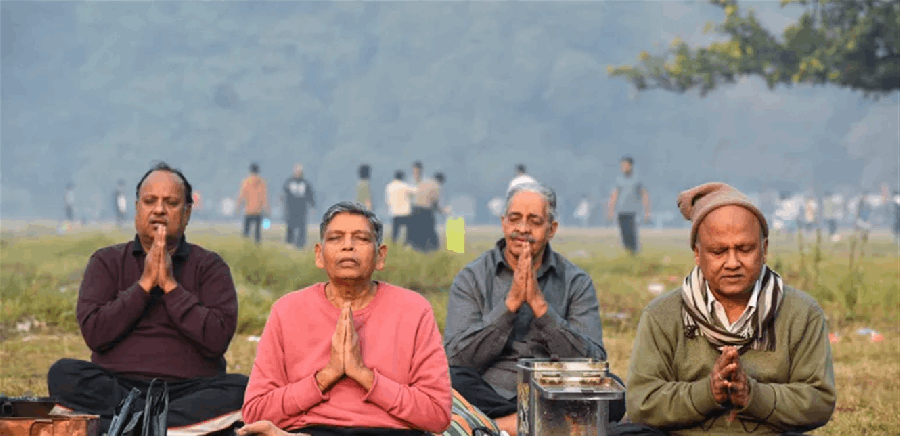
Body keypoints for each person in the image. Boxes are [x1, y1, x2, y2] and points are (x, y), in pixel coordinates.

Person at [611, 182, 835, 436]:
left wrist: (754, 395)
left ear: (764, 250)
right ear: (697, 254)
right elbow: (641, 402)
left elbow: (820, 401)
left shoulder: (802, 313)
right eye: (718, 251)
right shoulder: (662, 314)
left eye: (744, 249)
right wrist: (707, 393)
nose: (732, 263)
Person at [47, 162, 248, 436]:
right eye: (150, 201)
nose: (159, 210)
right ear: (137, 209)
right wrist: (143, 285)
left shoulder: (210, 266)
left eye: (171, 203)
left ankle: (124, 427)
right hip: (118, 388)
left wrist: (170, 286)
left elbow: (217, 340)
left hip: (188, 390)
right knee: (64, 375)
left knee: (242, 389)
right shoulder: (107, 261)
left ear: (187, 212)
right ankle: (164, 427)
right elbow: (95, 334)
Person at [238, 202, 452, 436]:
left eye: (361, 238)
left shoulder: (414, 309)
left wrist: (362, 374)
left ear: (380, 256)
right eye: (335, 238)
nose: (348, 246)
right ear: (319, 255)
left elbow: (437, 415)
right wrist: (327, 375)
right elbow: (255, 412)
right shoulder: (287, 310)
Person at [444, 182, 625, 436]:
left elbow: (593, 363)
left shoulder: (576, 281)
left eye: (534, 221)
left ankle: (499, 427)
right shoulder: (472, 277)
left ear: (551, 229)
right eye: (514, 219)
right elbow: (455, 357)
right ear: (503, 223)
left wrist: (542, 309)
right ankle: (541, 425)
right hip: (489, 392)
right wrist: (509, 306)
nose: (522, 229)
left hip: (554, 392)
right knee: (447, 378)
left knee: (614, 390)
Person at [607, 156, 651, 254]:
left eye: (625, 165)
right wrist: (610, 211)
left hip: (633, 212)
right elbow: (614, 195)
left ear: (631, 166)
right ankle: (627, 252)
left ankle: (634, 252)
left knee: (632, 233)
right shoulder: (619, 179)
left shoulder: (637, 179)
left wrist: (647, 212)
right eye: (622, 166)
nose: (624, 168)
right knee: (624, 234)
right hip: (621, 211)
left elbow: (644, 195)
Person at [283, 163, 316, 249]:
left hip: (302, 208)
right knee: (290, 225)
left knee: (302, 226)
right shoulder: (289, 182)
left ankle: (301, 243)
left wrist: (312, 205)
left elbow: (310, 194)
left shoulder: (305, 183)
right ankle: (289, 242)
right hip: (291, 208)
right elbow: (285, 193)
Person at [238, 163, 269, 244]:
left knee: (246, 231)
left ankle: (245, 244)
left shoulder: (246, 181)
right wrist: (266, 209)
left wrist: (238, 206)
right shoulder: (262, 182)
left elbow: (242, 195)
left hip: (248, 210)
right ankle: (257, 244)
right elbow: (264, 196)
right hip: (258, 210)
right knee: (257, 232)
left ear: (250, 171)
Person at [384, 170, 415, 244]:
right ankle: (406, 244)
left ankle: (393, 244)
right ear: (402, 177)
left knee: (395, 232)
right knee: (409, 231)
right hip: (405, 212)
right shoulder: (405, 186)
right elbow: (415, 191)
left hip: (395, 212)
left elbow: (387, 201)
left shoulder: (389, 187)